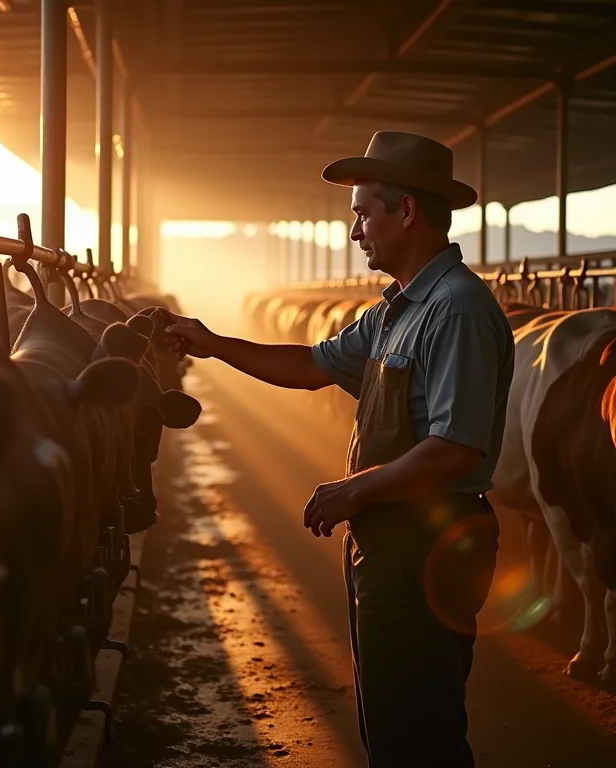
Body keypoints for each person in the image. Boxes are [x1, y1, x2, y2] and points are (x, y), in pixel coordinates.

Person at [164, 131, 515, 768]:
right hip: (392, 537)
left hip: (428, 539)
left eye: (362, 213)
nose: (355, 231)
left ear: (406, 211)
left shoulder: (457, 309)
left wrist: (351, 490)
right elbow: (310, 365)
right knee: (391, 721)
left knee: (419, 731)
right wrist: (213, 343)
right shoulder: (395, 311)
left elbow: (455, 449)